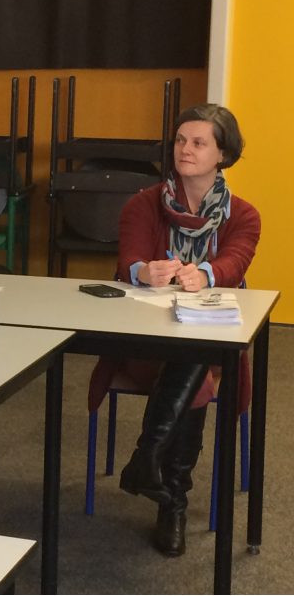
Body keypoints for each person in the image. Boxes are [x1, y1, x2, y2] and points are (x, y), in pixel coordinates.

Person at [94, 104, 260, 558]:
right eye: (181, 140)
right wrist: (144, 272)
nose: (185, 150)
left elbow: (234, 262)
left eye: (199, 142)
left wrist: (205, 274)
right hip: (143, 345)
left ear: (222, 155)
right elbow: (128, 260)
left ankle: (161, 480)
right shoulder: (143, 204)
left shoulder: (243, 216)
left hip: (202, 350)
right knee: (197, 372)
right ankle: (168, 493)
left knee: (196, 360)